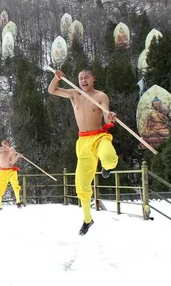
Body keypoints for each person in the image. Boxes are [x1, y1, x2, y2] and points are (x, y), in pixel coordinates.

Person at [48, 69, 119, 236]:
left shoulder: (101, 96)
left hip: (99, 137)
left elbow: (107, 117)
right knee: (82, 184)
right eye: (80, 78)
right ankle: (87, 219)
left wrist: (110, 116)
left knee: (108, 156)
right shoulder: (74, 93)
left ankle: (107, 168)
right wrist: (56, 78)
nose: (83, 80)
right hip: (83, 142)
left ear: (93, 78)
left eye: (86, 77)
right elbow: (52, 90)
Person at [0, 139, 22, 212]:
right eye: (3, 143)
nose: (4, 145)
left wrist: (17, 156)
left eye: (5, 143)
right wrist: (11, 149)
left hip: (11, 171)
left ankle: (18, 202)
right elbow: (0, 149)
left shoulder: (12, 152)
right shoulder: (1, 150)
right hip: (2, 172)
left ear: (8, 143)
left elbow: (12, 163)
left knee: (15, 186)